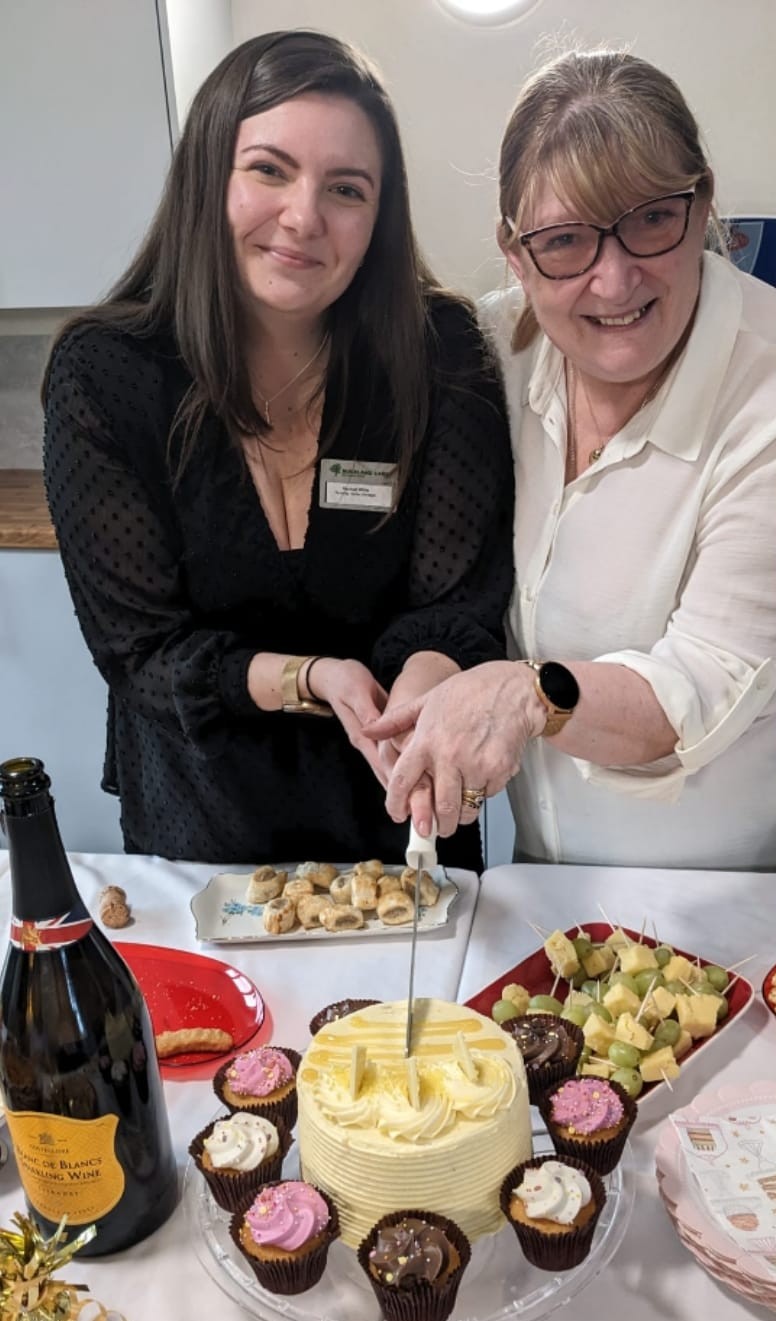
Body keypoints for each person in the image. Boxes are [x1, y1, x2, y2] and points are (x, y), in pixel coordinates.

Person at [42, 31, 513, 867]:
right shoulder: (109, 373)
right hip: (201, 832)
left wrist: (426, 681)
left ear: (380, 217)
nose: (304, 217)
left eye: (346, 189)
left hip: (398, 816)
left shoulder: (440, 354)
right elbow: (141, 653)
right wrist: (311, 676)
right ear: (207, 177)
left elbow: (460, 605)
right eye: (269, 170)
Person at [367, 48, 776, 870]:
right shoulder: (492, 355)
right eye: (564, 241)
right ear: (515, 253)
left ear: (703, 207)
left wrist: (528, 693)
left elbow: (702, 679)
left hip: (729, 897)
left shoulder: (762, 389)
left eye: (651, 221)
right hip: (544, 887)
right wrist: (428, 671)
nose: (614, 280)